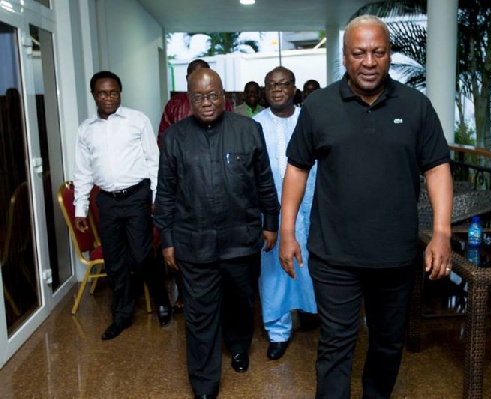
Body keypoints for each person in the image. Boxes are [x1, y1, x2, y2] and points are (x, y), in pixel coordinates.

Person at [279, 15, 454, 399]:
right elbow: (296, 169)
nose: (369, 61)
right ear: (344, 57)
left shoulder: (415, 106)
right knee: (336, 346)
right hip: (334, 255)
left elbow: (437, 168)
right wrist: (287, 232)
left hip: (394, 257)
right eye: (359, 53)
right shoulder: (319, 106)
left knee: (388, 344)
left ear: (390, 55)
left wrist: (441, 232)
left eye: (378, 52)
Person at [153, 68, 280, 399]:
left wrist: (271, 223)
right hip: (194, 243)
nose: (206, 103)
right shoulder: (175, 138)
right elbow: (165, 193)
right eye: (198, 97)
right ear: (188, 98)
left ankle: (239, 346)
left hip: (241, 240)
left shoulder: (248, 130)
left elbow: (264, 181)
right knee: (199, 314)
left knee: (240, 302)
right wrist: (166, 238)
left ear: (225, 96)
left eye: (212, 95)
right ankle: (204, 382)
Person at [73, 70, 172, 341]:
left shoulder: (136, 120)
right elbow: (82, 172)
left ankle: (162, 300)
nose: (109, 97)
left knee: (141, 256)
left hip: (137, 197)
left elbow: (154, 161)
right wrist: (80, 208)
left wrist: (155, 197)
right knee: (115, 261)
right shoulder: (86, 130)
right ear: (94, 95)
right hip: (107, 201)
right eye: (103, 93)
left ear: (120, 92)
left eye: (113, 92)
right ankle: (122, 315)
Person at [253, 67, 317, 361]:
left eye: (283, 84)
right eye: (271, 85)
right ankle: (278, 330)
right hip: (272, 213)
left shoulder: (312, 119)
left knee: (311, 268)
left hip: (311, 208)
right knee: (273, 274)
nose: (277, 89)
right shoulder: (254, 125)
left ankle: (311, 313)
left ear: (295, 88)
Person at [157, 58, 211, 314]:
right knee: (183, 243)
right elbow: (164, 142)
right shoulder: (174, 106)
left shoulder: (220, 102)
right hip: (183, 187)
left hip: (206, 188)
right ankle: (185, 295)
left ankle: (198, 298)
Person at [157, 59, 233, 147]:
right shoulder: (174, 105)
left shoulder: (223, 103)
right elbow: (163, 140)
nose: (200, 80)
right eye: (194, 75)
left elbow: (232, 131)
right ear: (187, 78)